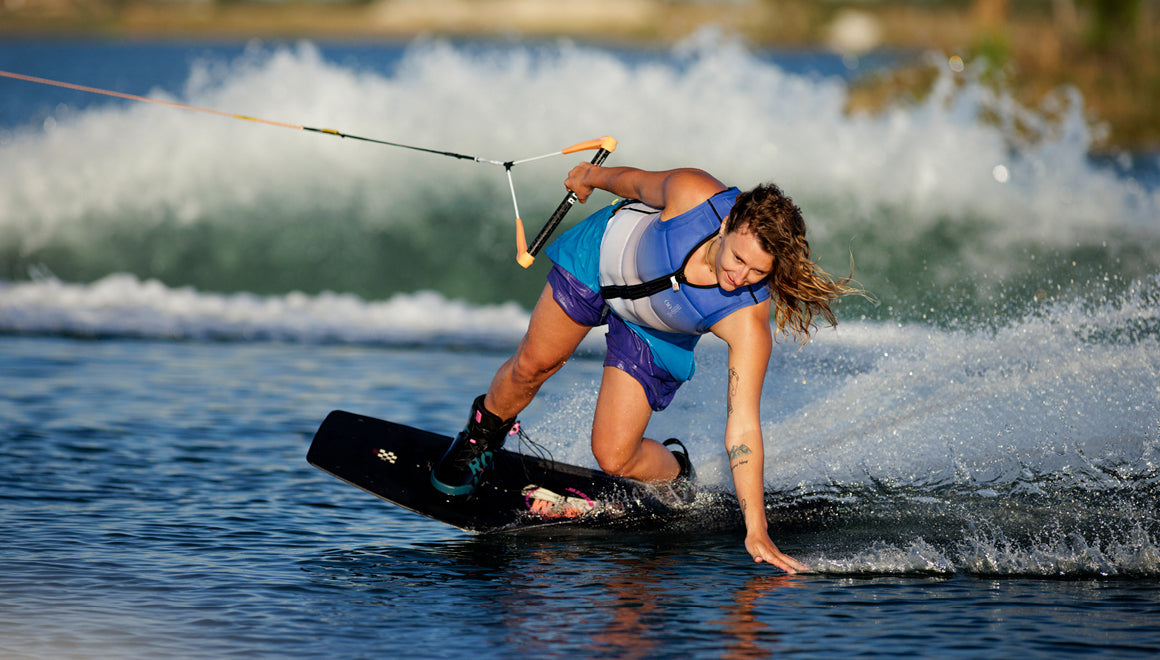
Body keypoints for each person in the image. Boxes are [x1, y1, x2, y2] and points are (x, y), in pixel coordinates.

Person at [431, 163, 858, 572]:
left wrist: (757, 528)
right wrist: (590, 177)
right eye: (738, 259)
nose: (740, 276)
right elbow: (634, 183)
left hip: (656, 330)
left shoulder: (747, 320)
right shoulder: (694, 195)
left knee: (613, 456)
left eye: (757, 271)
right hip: (599, 259)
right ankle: (479, 440)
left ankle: (676, 476)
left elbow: (743, 426)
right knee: (533, 364)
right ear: (726, 226)